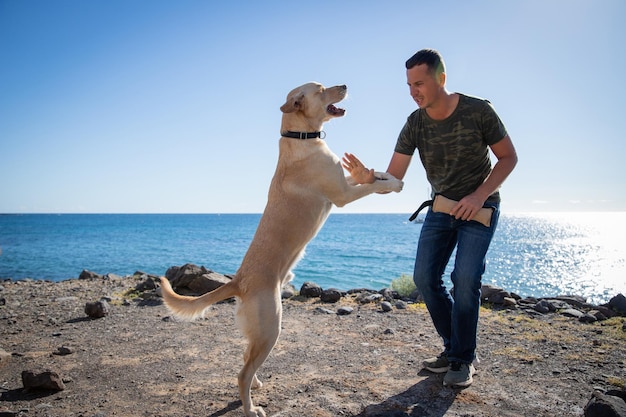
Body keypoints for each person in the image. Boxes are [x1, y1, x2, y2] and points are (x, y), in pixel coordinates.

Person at [342, 48, 518, 388]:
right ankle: (457, 348)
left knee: (465, 278)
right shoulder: (415, 123)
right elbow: (394, 179)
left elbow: (508, 157)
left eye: (419, 83)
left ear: (441, 78)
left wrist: (479, 194)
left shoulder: (478, 111)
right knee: (424, 278)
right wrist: (369, 178)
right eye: (409, 85)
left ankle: (462, 359)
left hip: (480, 208)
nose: (413, 92)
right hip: (441, 209)